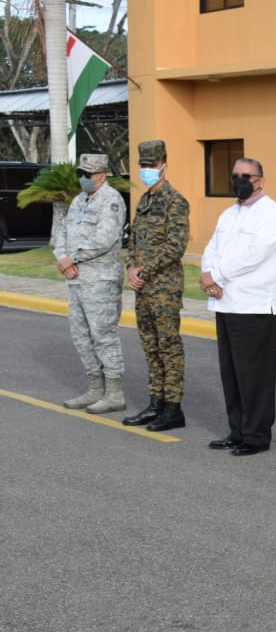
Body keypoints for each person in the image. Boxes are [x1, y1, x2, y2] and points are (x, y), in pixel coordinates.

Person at [200, 157, 276, 456]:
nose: (240, 180)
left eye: (246, 176)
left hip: (255, 307)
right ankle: (237, 431)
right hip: (226, 304)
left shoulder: (271, 213)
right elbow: (212, 247)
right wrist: (207, 275)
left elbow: (256, 254)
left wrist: (218, 275)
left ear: (260, 180)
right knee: (233, 374)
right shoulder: (228, 214)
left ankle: (256, 436)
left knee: (255, 377)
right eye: (235, 175)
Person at [122, 140, 190, 431]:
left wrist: (144, 269)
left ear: (164, 163)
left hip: (164, 288)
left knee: (168, 346)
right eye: (143, 165)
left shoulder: (176, 201)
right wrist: (131, 268)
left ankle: (173, 408)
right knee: (150, 347)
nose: (147, 170)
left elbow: (175, 247)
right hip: (143, 287)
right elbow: (134, 241)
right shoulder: (144, 201)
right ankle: (156, 402)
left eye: (152, 164)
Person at [55, 152, 128, 414]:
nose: (83, 178)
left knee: (103, 336)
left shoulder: (111, 201)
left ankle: (114, 393)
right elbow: (63, 232)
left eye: (88, 174)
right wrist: (62, 258)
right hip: (76, 279)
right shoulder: (77, 201)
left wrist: (72, 258)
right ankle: (95, 389)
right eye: (81, 174)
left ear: (102, 174)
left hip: (100, 280)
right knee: (81, 335)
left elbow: (105, 239)